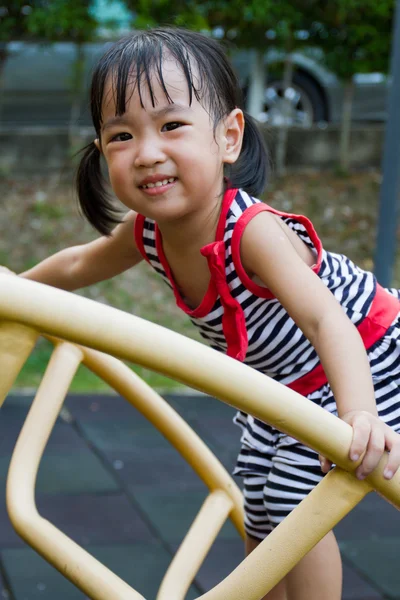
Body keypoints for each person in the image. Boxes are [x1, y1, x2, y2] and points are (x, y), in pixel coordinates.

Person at [2, 26, 400, 600]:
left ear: (228, 136)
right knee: (259, 507)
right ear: (101, 152)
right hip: (281, 385)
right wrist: (16, 290)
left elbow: (326, 321)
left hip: (366, 358)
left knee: (294, 507)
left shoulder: (252, 232)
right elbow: (76, 265)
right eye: (121, 136)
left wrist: (356, 414)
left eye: (171, 126)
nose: (147, 152)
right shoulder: (147, 233)